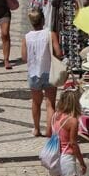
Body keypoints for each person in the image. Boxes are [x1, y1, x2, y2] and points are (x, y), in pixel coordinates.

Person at [22, 9, 62, 137]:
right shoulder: (50, 35)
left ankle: (36, 129)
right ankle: (49, 131)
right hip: (49, 72)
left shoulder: (27, 37)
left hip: (34, 73)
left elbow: (24, 57)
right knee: (50, 103)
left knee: (36, 102)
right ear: (43, 20)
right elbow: (59, 53)